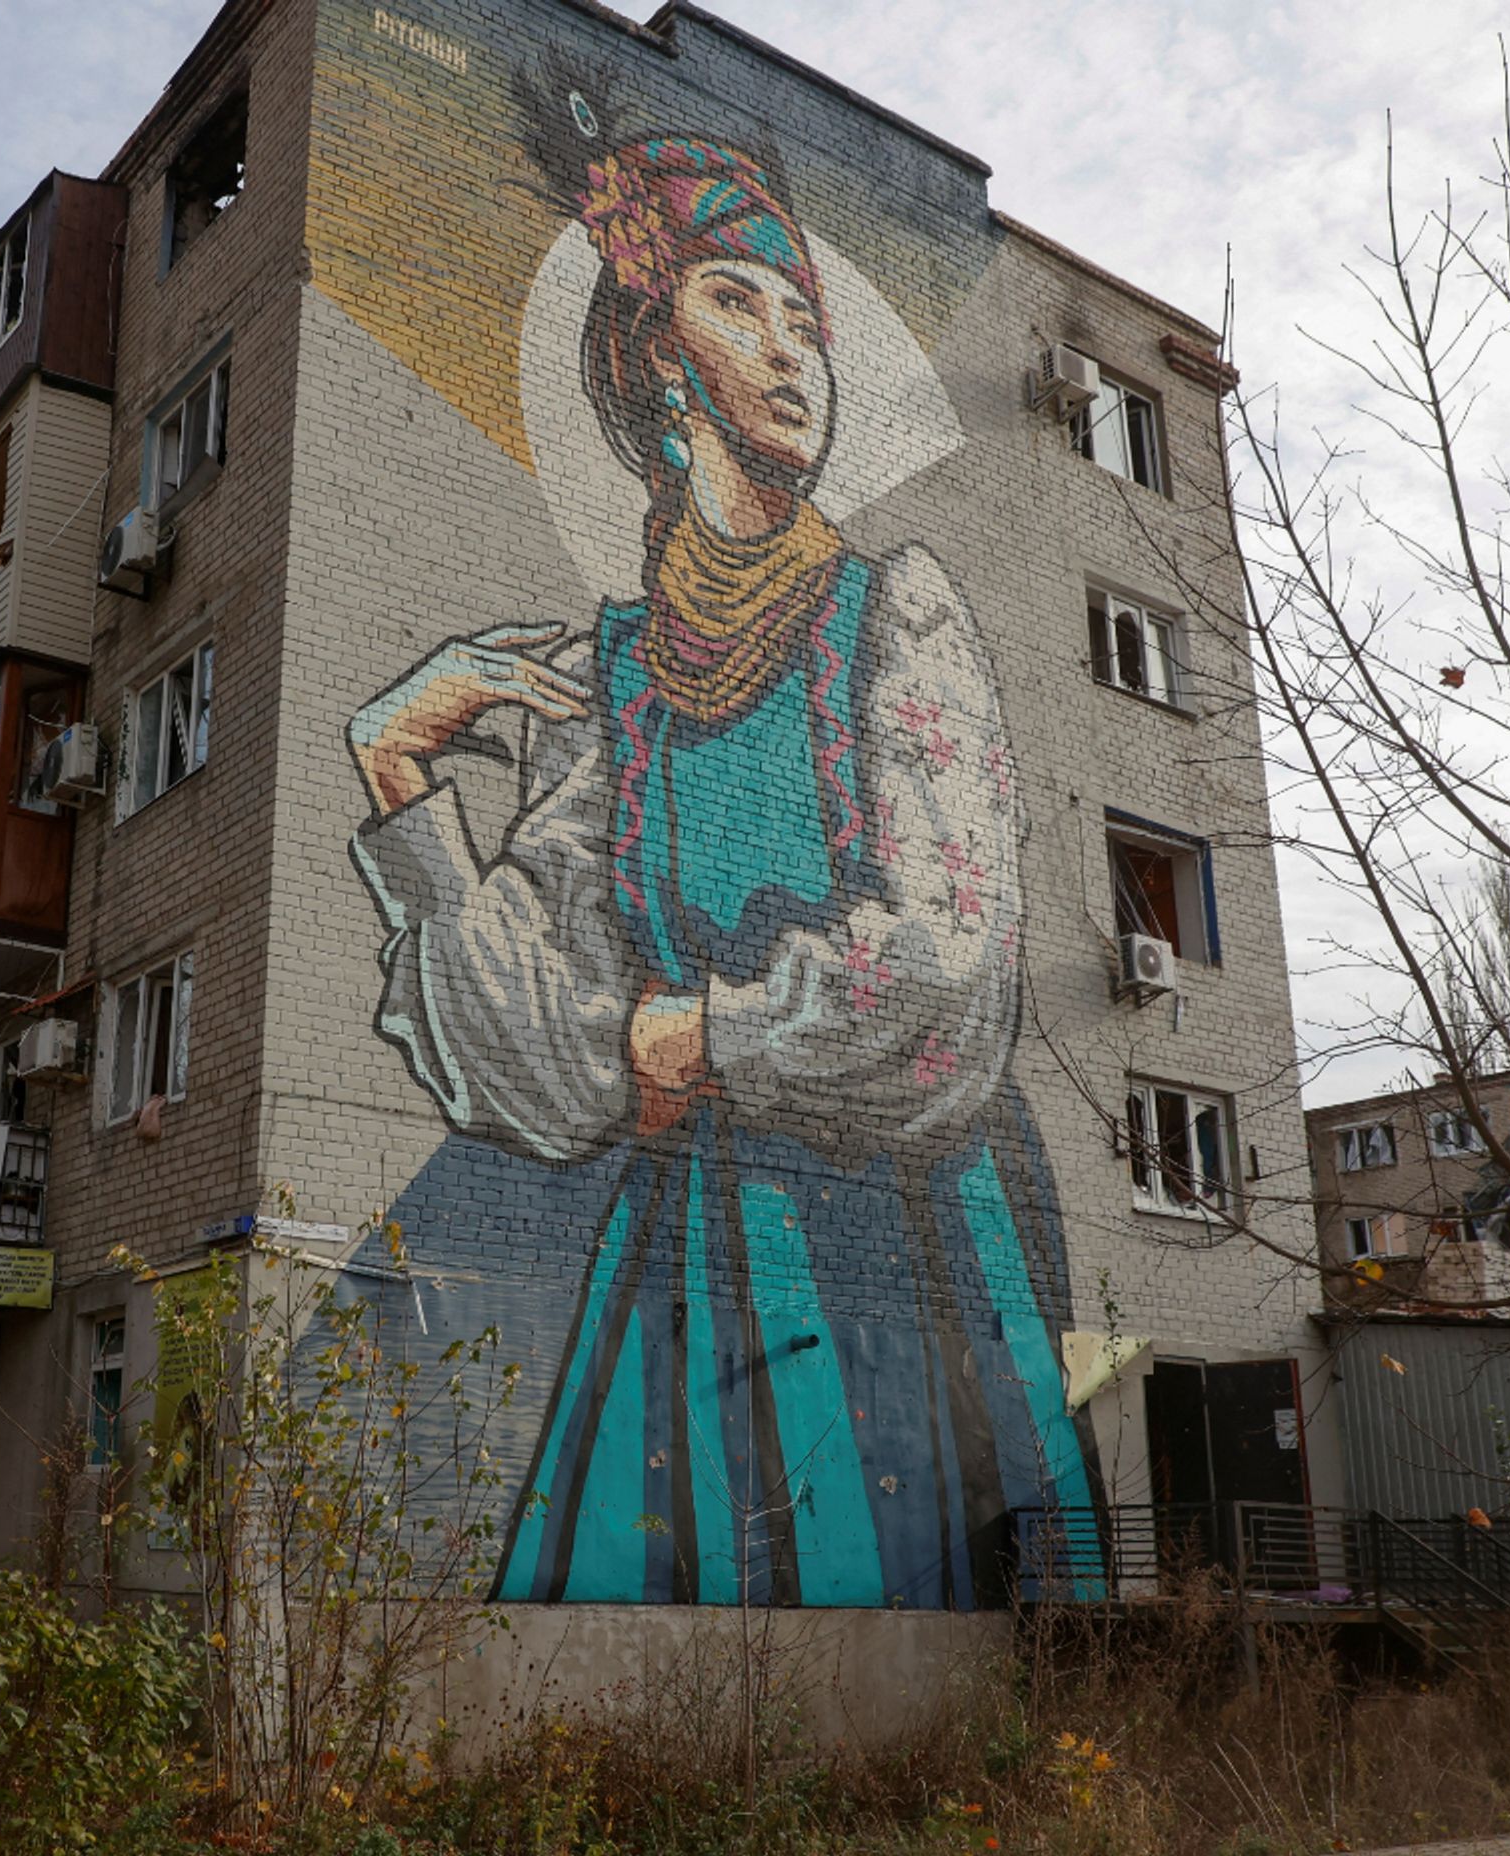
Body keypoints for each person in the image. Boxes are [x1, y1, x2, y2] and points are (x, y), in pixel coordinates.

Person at [345, 97, 1097, 1608]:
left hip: (910, 1234)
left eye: (804, 321)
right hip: (680, 1263)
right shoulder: (608, 684)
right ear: (653, 364)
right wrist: (402, 778)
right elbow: (537, 1067)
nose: (786, 352)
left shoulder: (898, 617)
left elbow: (954, 979)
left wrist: (702, 1034)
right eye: (734, 304)